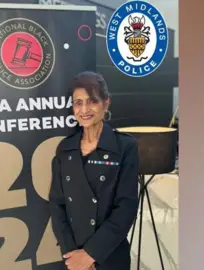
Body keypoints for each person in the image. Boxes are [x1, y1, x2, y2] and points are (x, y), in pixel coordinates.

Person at [49, 71, 140, 270]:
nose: (84, 109)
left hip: (109, 254)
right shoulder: (65, 148)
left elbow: (126, 207)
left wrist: (91, 254)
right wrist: (73, 254)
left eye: (92, 101)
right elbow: (57, 204)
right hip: (73, 256)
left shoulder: (124, 147)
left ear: (106, 103)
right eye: (78, 102)